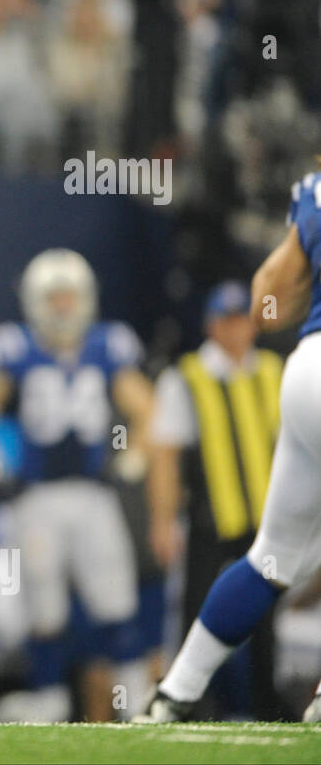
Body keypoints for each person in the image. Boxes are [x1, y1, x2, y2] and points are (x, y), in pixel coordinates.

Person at [141, 172, 321, 722]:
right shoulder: (194, 378)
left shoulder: (317, 187)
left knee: (274, 555)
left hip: (307, 366)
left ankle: (175, 692)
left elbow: (269, 294)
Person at [0, 249, 155, 721]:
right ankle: (47, 697)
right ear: (35, 300)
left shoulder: (108, 344)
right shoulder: (15, 346)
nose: (64, 307)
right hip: (37, 495)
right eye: (55, 297)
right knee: (44, 604)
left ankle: (137, 697)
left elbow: (145, 405)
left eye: (70, 296)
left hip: (93, 492)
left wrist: (135, 457)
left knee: (115, 596)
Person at [147, 281, 285, 719]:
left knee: (266, 620)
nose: (234, 329)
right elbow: (165, 456)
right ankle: (190, 699)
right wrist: (162, 521)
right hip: (209, 518)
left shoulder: (274, 371)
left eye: (241, 318)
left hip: (266, 518)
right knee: (198, 610)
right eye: (225, 320)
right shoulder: (186, 376)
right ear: (210, 325)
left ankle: (267, 703)